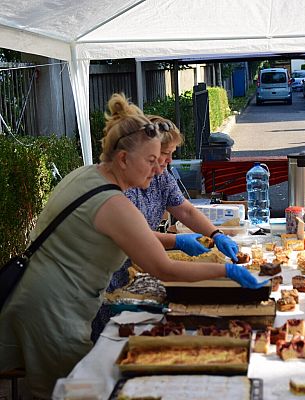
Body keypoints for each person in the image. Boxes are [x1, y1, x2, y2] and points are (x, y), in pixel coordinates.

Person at [0, 93, 267, 399]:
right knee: (66, 391)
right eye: (151, 161)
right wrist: (227, 271)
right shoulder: (114, 203)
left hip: (40, 296)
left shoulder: (86, 174)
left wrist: (214, 238)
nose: (157, 170)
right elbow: (162, 267)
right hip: (53, 307)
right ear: (123, 159)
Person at [91, 115, 240, 341]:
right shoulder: (121, 186)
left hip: (136, 267)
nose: (169, 160)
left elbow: (186, 210)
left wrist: (215, 234)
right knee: (111, 342)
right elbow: (136, 236)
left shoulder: (161, 176)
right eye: (164, 154)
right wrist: (178, 241)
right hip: (112, 276)